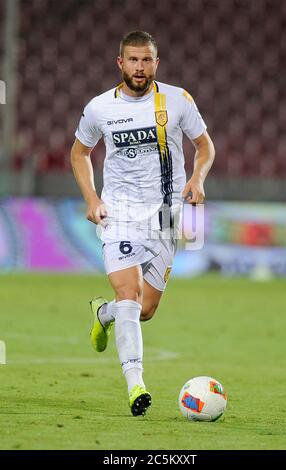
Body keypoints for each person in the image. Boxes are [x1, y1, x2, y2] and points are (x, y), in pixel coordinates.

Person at [71, 31, 215, 416]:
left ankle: (103, 315)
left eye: (146, 60)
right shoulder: (100, 108)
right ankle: (136, 385)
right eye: (133, 60)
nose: (140, 67)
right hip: (120, 212)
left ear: (157, 62)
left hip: (166, 214)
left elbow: (205, 145)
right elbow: (79, 153)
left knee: (145, 309)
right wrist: (92, 198)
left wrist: (197, 179)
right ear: (120, 62)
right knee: (129, 296)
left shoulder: (178, 100)